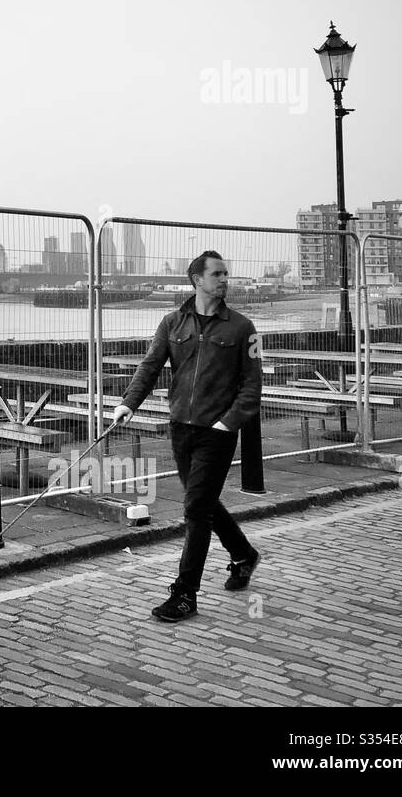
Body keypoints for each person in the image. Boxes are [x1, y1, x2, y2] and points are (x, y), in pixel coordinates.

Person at [112, 250, 263, 622]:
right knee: (205, 502)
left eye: (226, 274)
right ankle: (244, 554)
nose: (224, 280)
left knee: (196, 509)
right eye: (217, 274)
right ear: (197, 279)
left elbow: (252, 387)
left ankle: (184, 595)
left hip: (218, 432)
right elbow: (150, 367)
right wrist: (128, 404)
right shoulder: (172, 322)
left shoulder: (243, 328)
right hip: (180, 427)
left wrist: (228, 423)